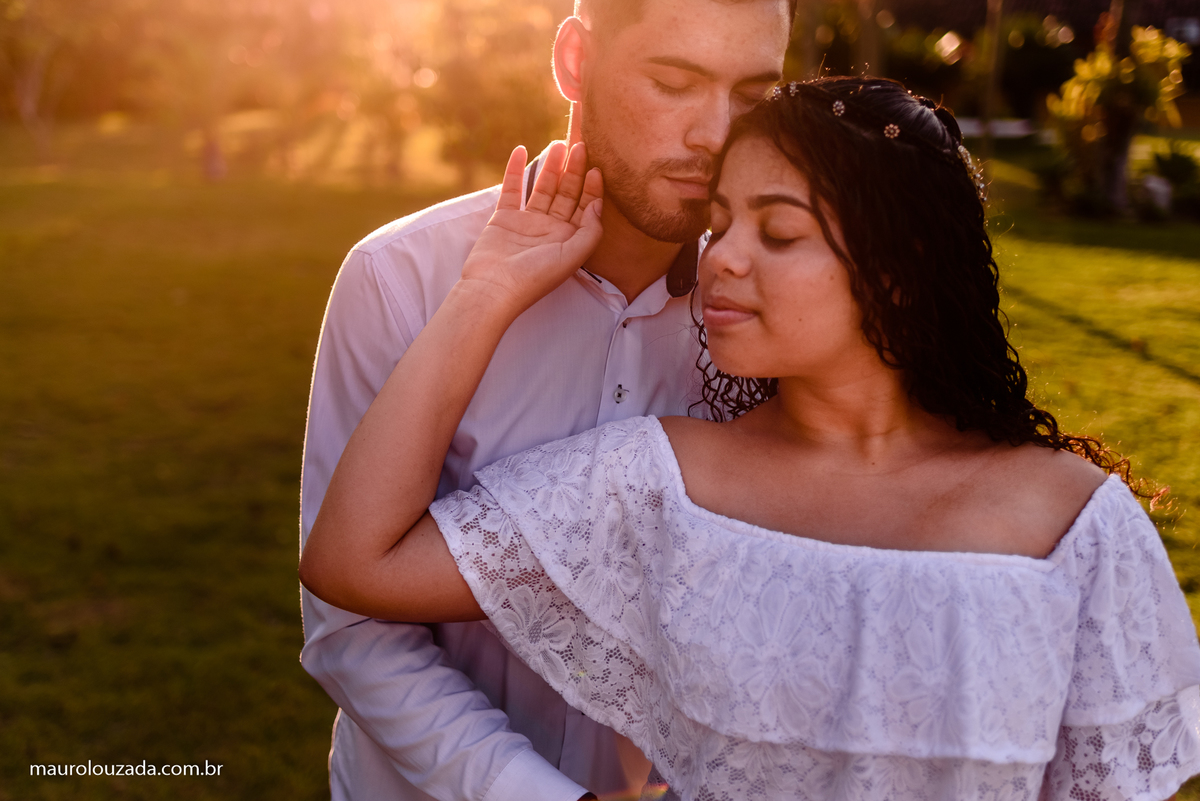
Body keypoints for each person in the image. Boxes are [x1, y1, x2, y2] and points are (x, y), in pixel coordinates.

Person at [300, 77, 1200, 800]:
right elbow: (352, 562)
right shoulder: (656, 482)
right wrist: (488, 291)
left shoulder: (1078, 526)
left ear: (900, 269)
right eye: (719, 222)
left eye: (776, 230)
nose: (721, 256)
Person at [298, 0, 794, 798]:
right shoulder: (397, 280)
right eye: (674, 82)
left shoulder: (777, 313)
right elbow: (351, 628)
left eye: (752, 96)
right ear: (574, 62)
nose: (714, 134)